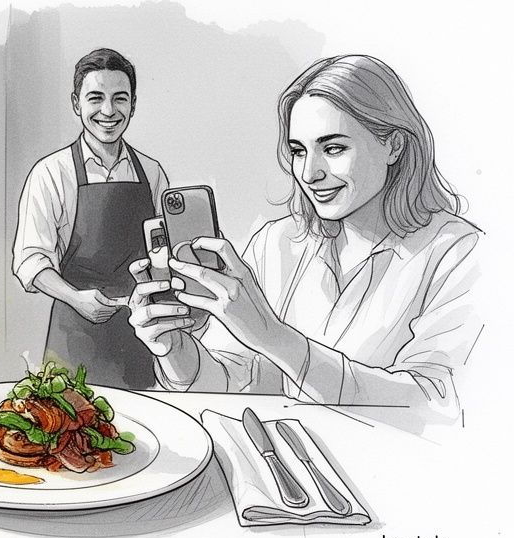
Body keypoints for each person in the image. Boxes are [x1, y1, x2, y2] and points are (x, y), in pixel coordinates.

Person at [127, 54, 480, 422]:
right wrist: (175, 352)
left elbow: (437, 407)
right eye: (298, 151)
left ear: (394, 146)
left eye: (334, 148)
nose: (309, 173)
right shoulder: (276, 242)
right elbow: (233, 381)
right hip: (274, 469)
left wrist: (275, 338)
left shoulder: (459, 252)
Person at [13, 48, 170, 389]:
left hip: (140, 335)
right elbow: (29, 261)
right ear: (76, 104)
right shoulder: (51, 173)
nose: (109, 111)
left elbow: (162, 254)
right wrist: (74, 297)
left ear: (133, 104)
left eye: (120, 98)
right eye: (96, 98)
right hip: (73, 337)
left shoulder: (153, 173)